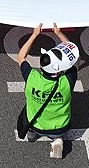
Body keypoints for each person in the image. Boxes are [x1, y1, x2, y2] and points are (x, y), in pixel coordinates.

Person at [15, 24, 78, 160]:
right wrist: (59, 33)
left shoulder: (32, 77)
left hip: (36, 124)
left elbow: (21, 57)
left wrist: (34, 34)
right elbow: (71, 55)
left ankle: (32, 134)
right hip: (60, 126)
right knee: (57, 134)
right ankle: (57, 140)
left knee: (30, 115)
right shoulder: (68, 80)